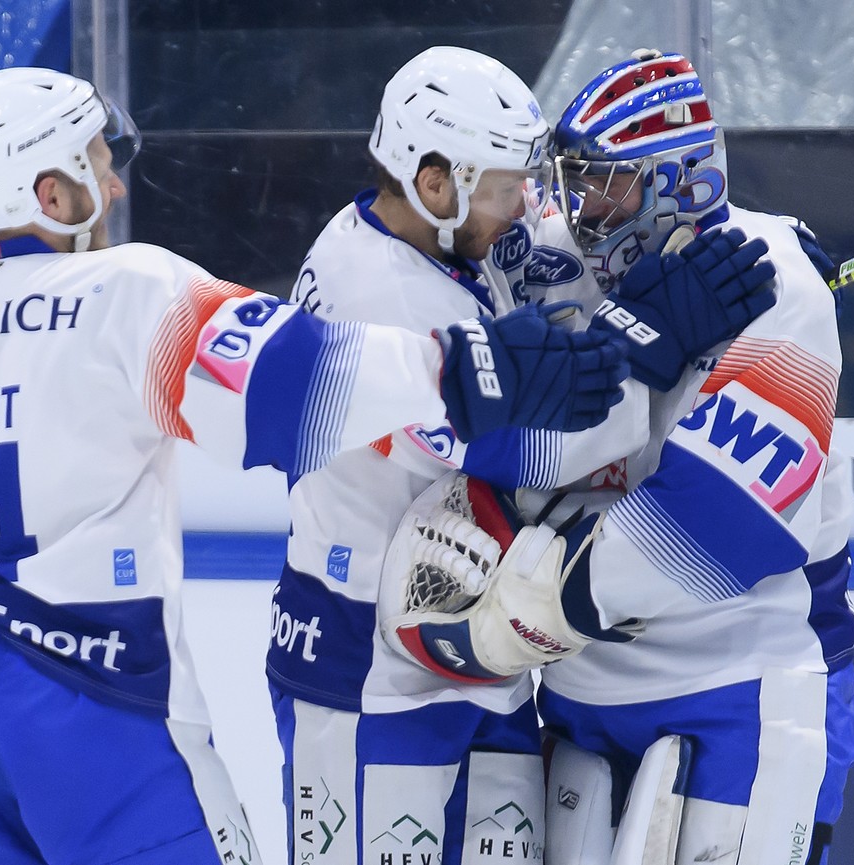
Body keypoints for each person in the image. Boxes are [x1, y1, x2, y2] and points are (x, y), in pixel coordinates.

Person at [0, 66, 634, 865]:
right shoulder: (126, 293)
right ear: (50, 192)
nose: (113, 186)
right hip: (92, 700)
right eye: (94, 163)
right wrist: (483, 371)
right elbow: (298, 382)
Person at [265, 47, 778, 865]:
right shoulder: (385, 307)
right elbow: (537, 450)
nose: (528, 201)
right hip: (366, 667)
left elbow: (565, 233)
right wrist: (649, 338)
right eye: (508, 183)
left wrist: (761, 248)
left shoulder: (439, 233)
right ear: (436, 182)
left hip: (473, 636)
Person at [385, 51, 854, 865]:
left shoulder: (775, 294)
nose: (581, 208)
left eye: (611, 185)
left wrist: (519, 615)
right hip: (579, 697)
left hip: (732, 690)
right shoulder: (553, 255)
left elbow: (722, 526)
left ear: (682, 184)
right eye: (575, 179)